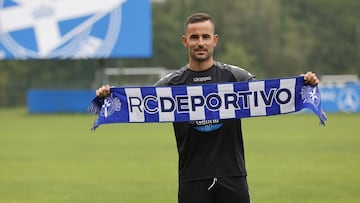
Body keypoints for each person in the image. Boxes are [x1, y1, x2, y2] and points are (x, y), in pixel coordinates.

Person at [96, 13, 319, 203]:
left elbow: (269, 95)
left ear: (215, 40)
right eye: (194, 37)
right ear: (185, 41)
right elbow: (140, 103)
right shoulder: (171, 84)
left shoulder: (235, 77)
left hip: (233, 176)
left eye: (205, 36)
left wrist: (301, 84)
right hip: (192, 179)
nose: (200, 42)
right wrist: (107, 97)